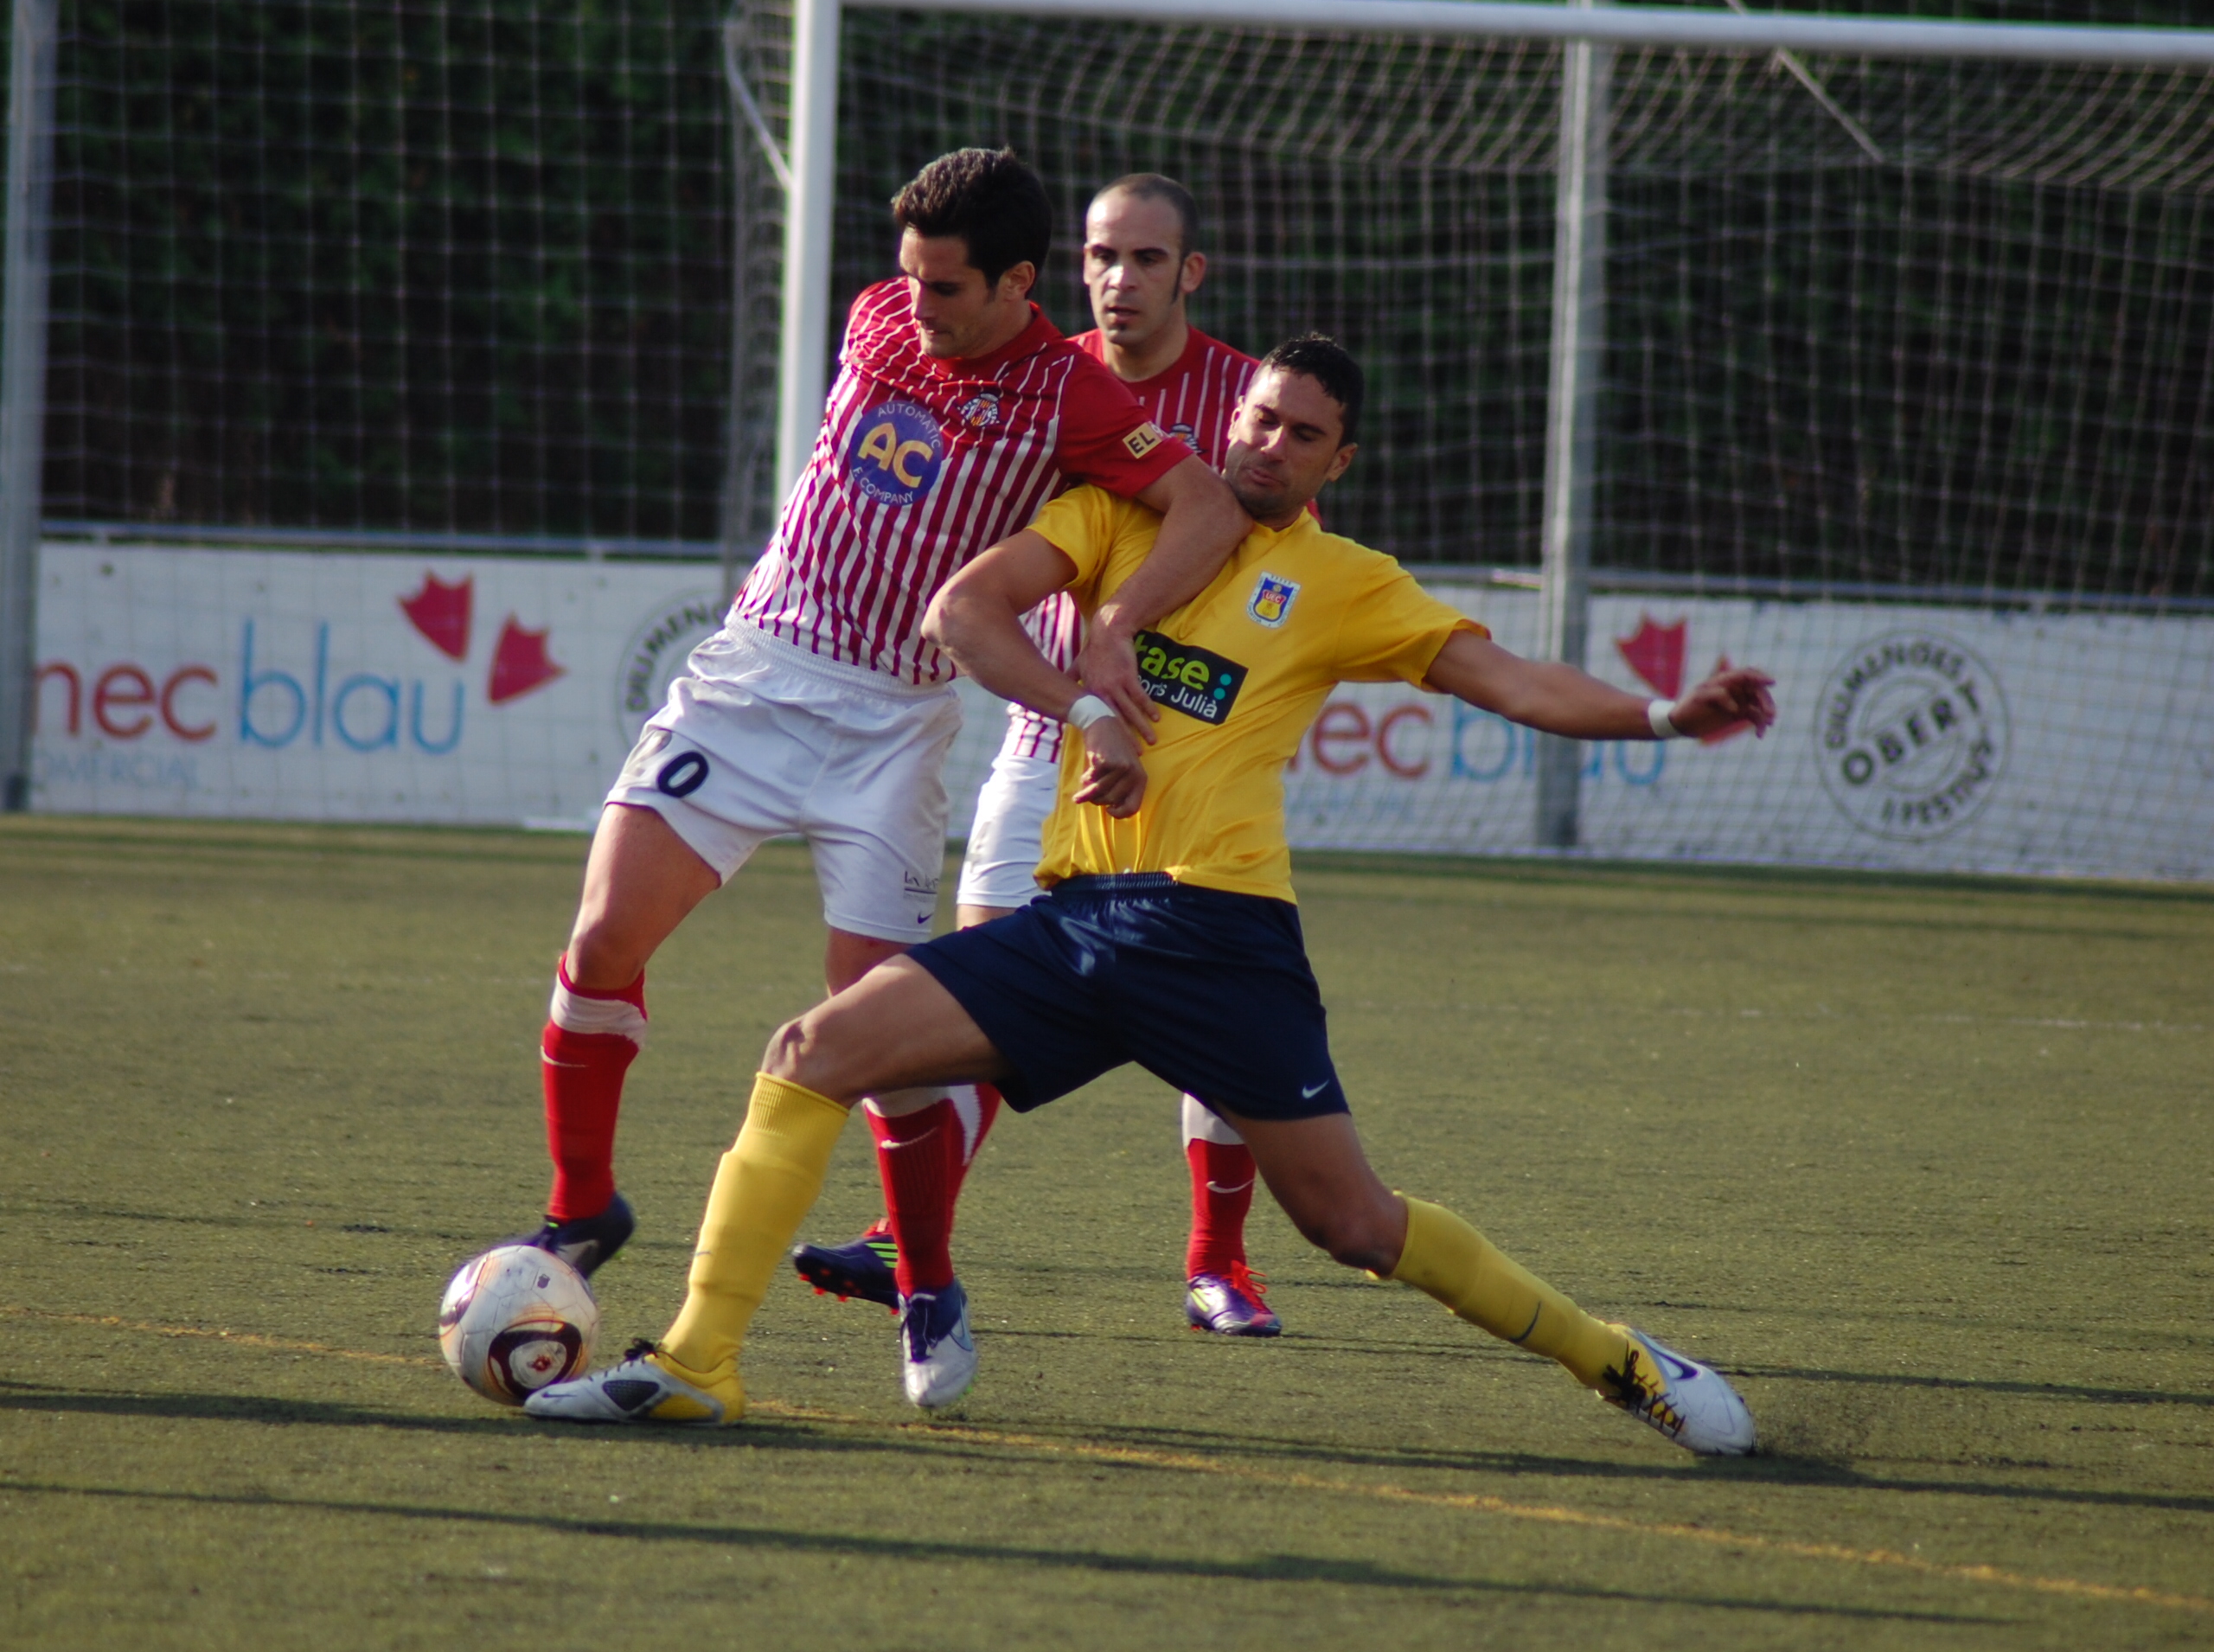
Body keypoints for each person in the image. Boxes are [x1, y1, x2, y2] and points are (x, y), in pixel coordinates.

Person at [524, 336, 1776, 1457]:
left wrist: (1662, 713)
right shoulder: (1111, 519)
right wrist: (1084, 685)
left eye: (1301, 432)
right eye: (1258, 417)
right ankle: (697, 1365)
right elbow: (961, 612)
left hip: (1218, 935)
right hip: (1074, 920)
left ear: (1341, 458)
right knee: (814, 1048)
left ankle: (1613, 1358)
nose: (1268, 443)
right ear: (1228, 417)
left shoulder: (1343, 581)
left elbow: (1510, 682)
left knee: (1353, 1223)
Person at [499, 148, 1248, 1277]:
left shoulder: (1068, 394)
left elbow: (1202, 505)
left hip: (892, 723)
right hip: (752, 678)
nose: (917, 304)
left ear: (1015, 284)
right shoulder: (876, 318)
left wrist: (1116, 623)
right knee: (603, 938)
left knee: (881, 1035)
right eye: (906, 276)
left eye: (945, 287)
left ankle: (921, 1277)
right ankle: (581, 1208)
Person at [790, 173, 1283, 1339]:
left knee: (1216, 1002)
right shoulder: (1044, 378)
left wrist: (1141, 638)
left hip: (1189, 743)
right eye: (1103, 256)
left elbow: (1280, 552)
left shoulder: (1238, 398)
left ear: (1188, 274)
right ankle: (907, 1242)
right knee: (972, 988)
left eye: (1147, 259)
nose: (1119, 280)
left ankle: (1218, 1261)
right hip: (1045, 731)